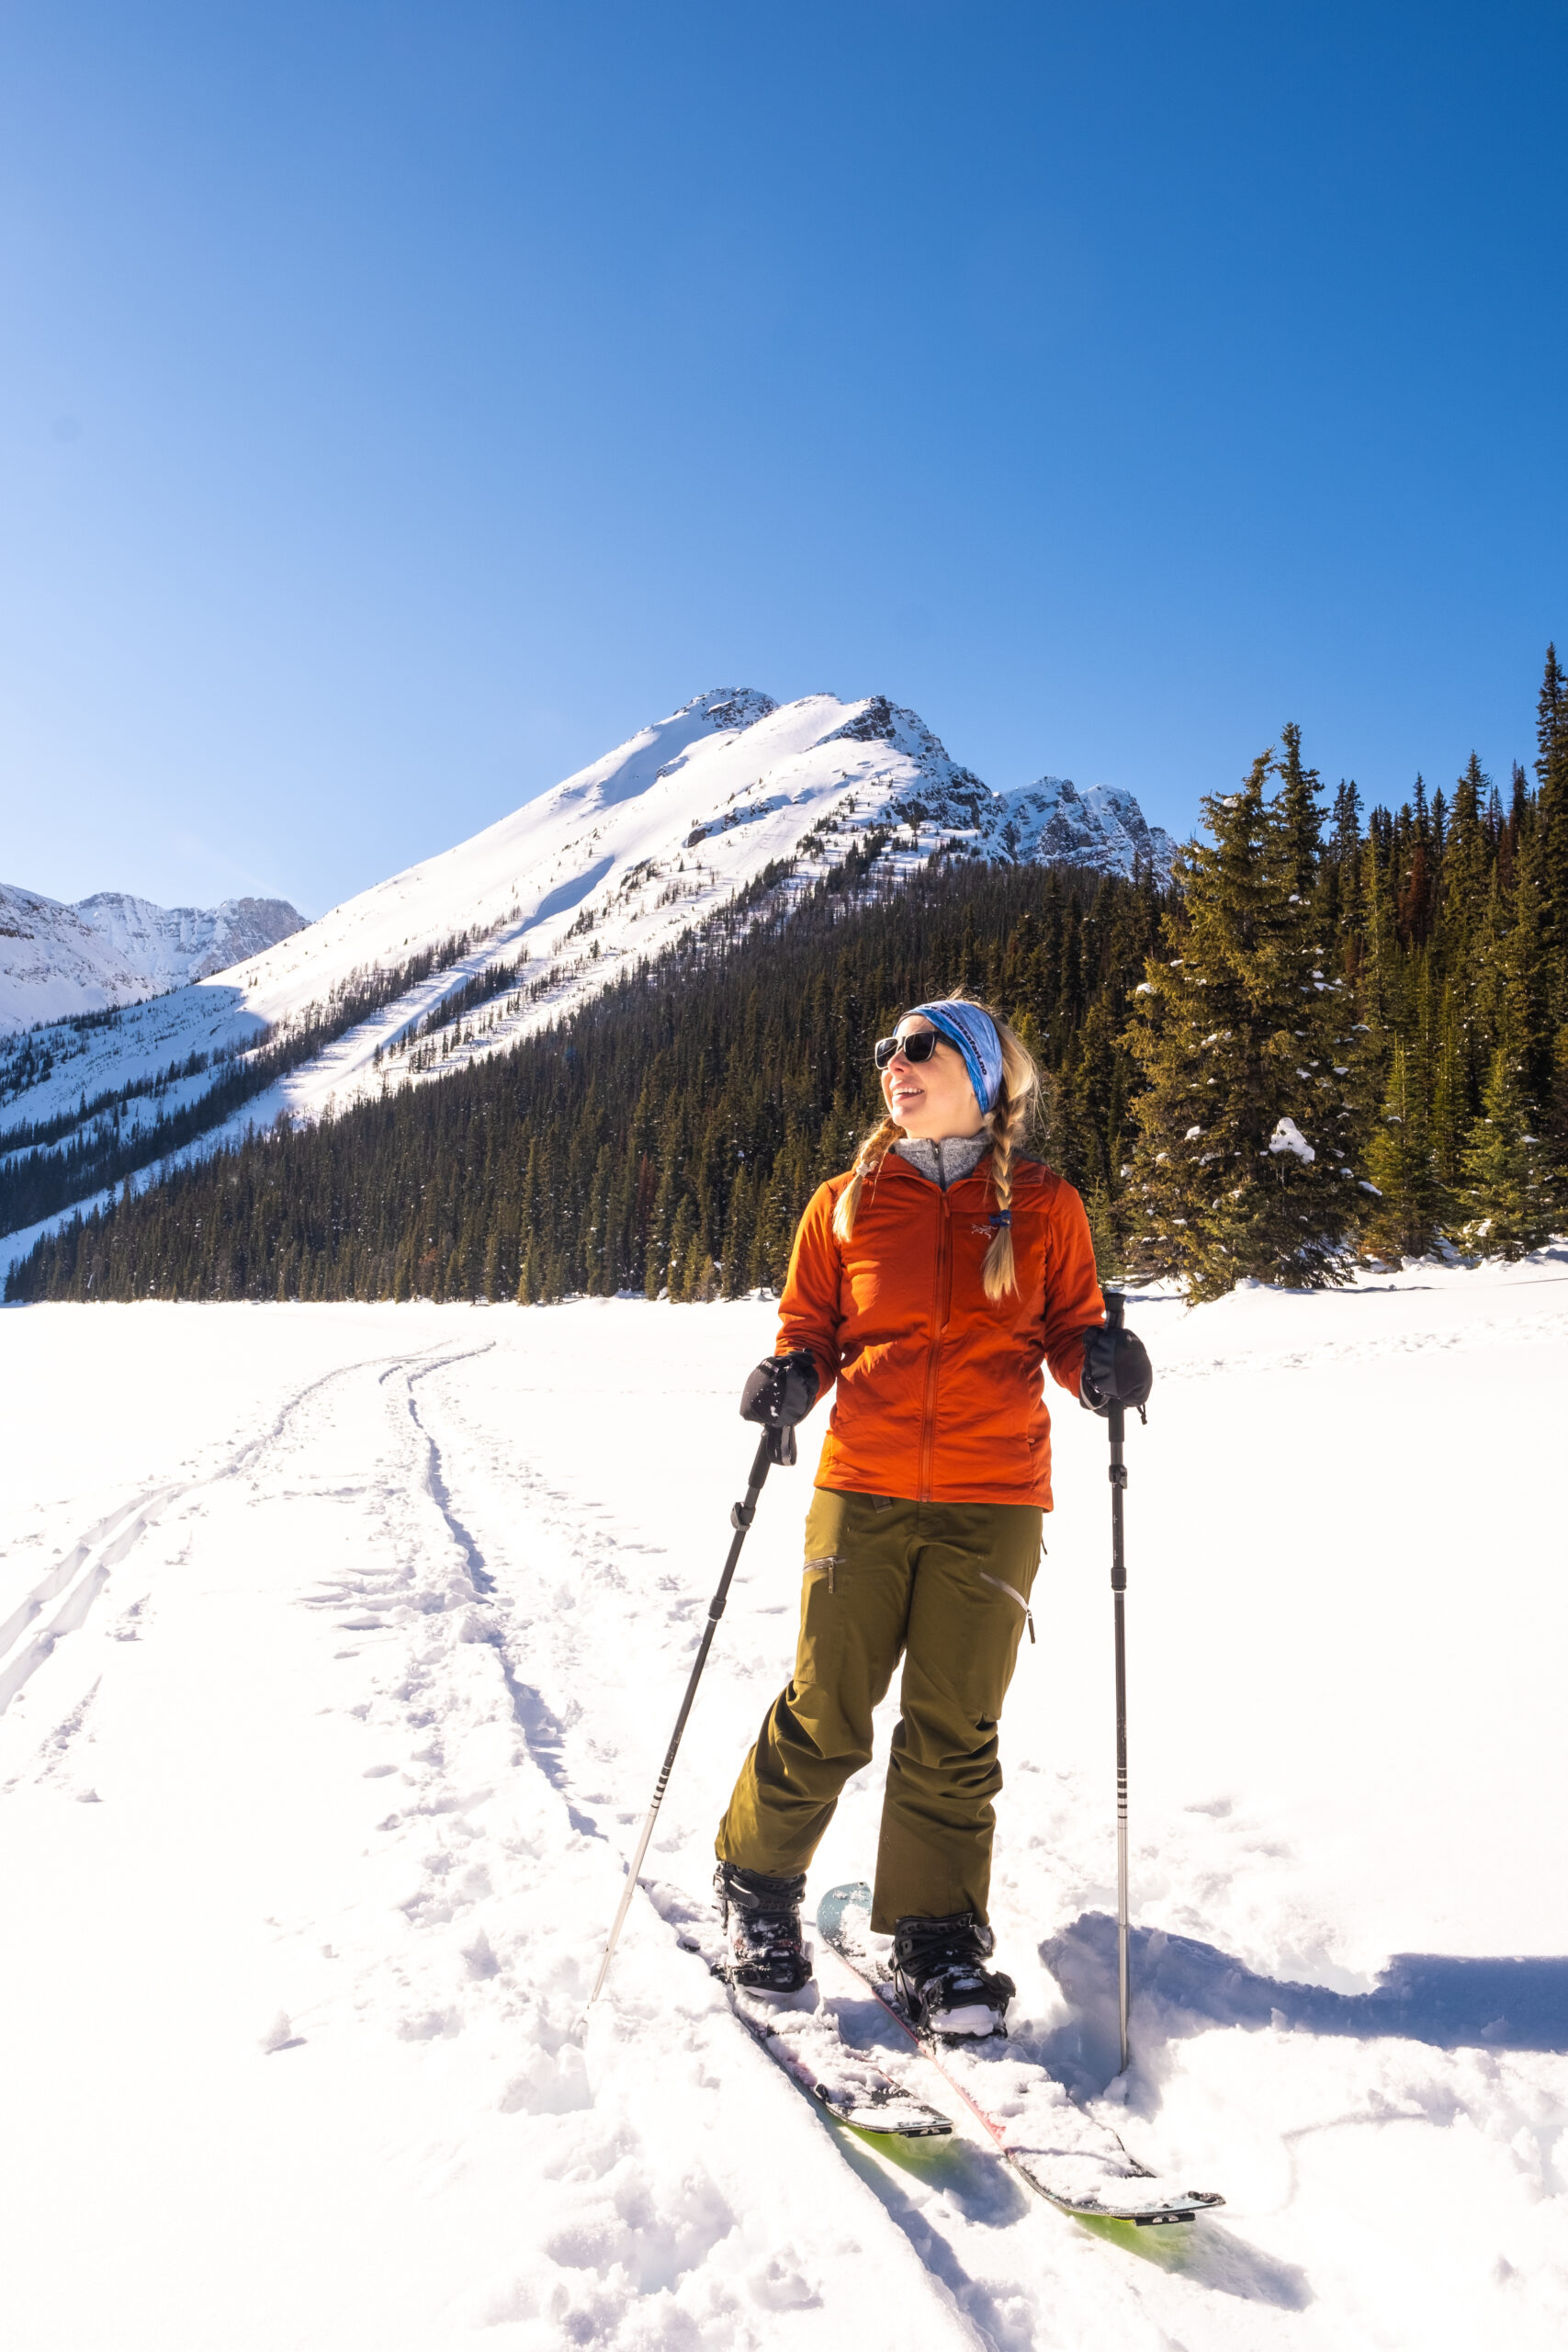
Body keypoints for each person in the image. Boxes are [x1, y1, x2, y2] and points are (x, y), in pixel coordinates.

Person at [713, 995, 1153, 2036]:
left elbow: (1069, 1328)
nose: (893, 1066)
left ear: (981, 1075)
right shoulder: (847, 1200)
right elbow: (811, 1325)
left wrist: (1099, 1369)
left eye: (918, 1049)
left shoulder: (1047, 1207)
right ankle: (757, 1888)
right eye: (885, 1053)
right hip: (861, 1489)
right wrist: (788, 1373)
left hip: (993, 1495)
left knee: (956, 1727)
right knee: (829, 1707)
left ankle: (937, 1936)